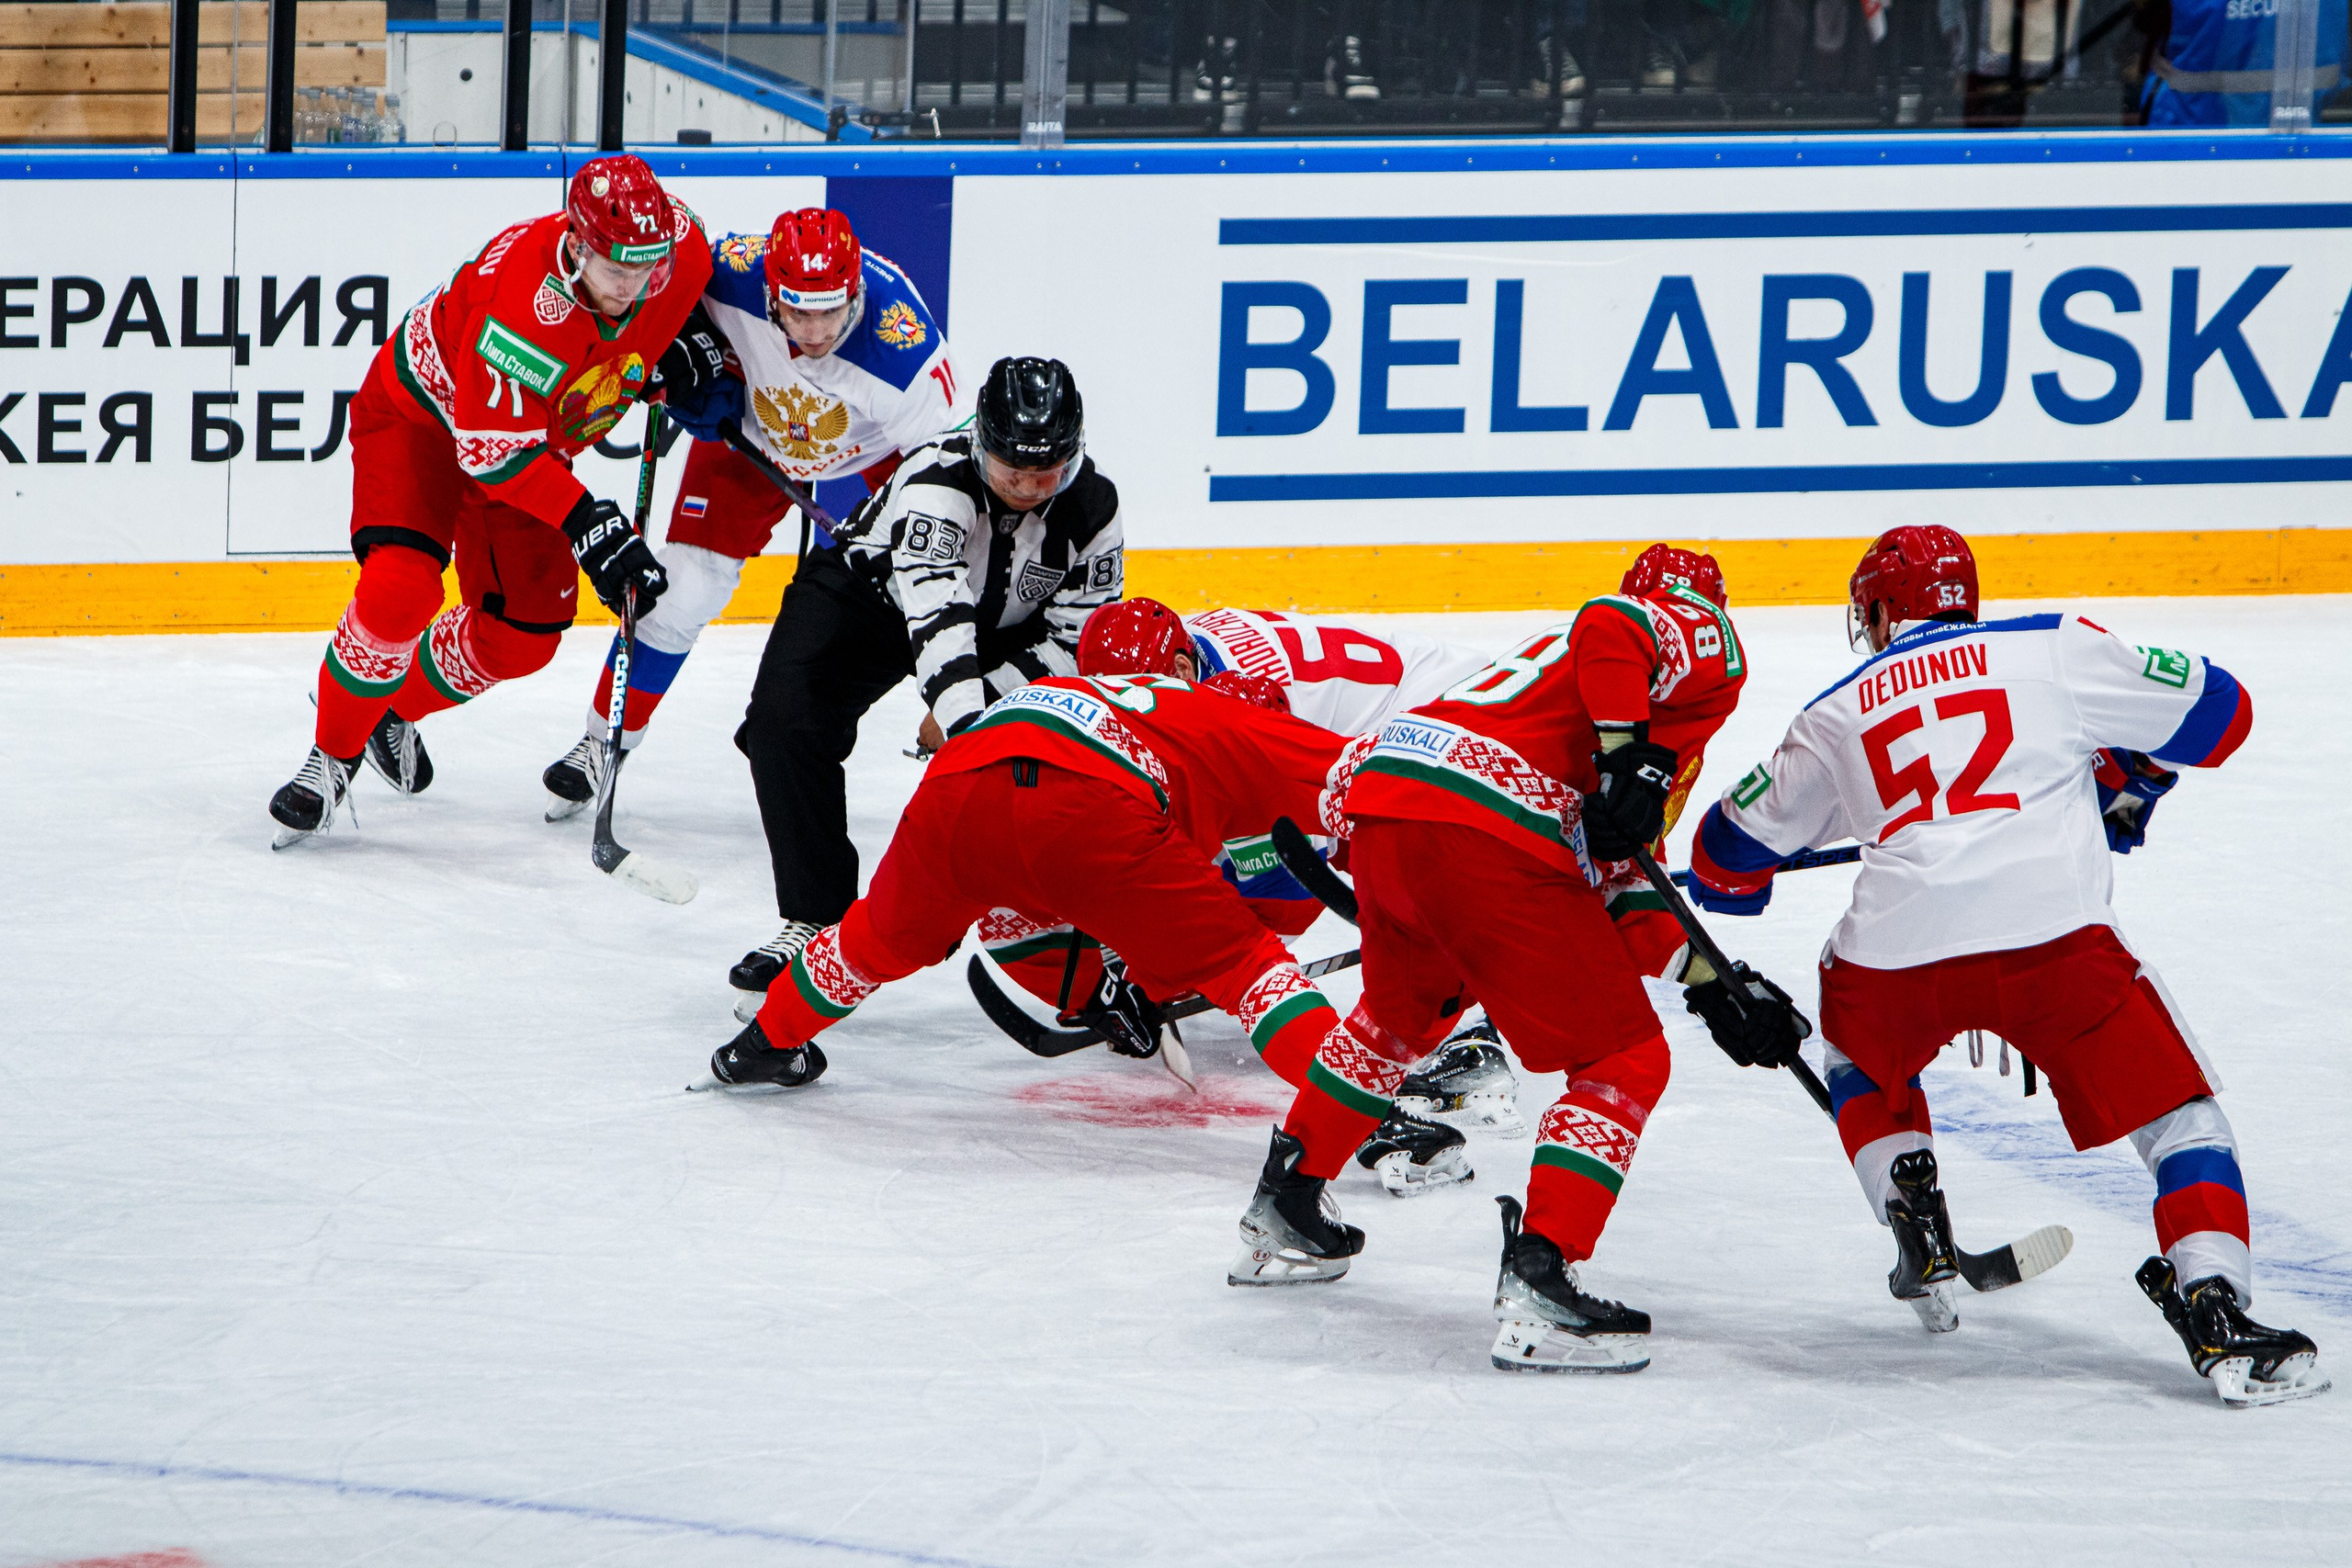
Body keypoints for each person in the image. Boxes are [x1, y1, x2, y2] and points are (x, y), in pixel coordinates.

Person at [1685, 525, 2325, 1408]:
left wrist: (1793, 849)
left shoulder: (1834, 710)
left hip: (1898, 959)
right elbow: (2222, 714)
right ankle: (2213, 1301)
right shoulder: (2052, 647)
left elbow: (1721, 863)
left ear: (1875, 610)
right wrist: (2120, 768)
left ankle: (1912, 1210)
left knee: (1858, 1048)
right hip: (2054, 943)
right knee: (2181, 1121)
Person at [1218, 544, 1808, 1377]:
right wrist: (1624, 752)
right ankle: (1542, 1276)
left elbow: (1615, 894)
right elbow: (1614, 621)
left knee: (1395, 1021)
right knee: (1624, 1059)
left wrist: (1714, 986)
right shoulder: (1690, 640)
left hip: (1393, 799)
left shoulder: (1554, 696)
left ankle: (1284, 1202)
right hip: (1481, 824)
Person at [976, 597, 1504, 1196]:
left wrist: (1167, 959)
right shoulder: (1175, 672)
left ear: (1179, 670)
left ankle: (1477, 1037)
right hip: (1381, 725)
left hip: (1446, 716)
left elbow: (1287, 882)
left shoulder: (1248, 706)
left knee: (1406, 866)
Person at [268, 154, 712, 847]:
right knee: (400, 590)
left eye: (648, 266)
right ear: (576, 243)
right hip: (422, 421)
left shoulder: (675, 246)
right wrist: (586, 523)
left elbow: (696, 290)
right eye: (617, 269)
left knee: (522, 637)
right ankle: (332, 753)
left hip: (525, 443)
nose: (635, 285)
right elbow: (490, 453)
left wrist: (685, 347)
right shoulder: (522, 310)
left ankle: (390, 706)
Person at [702, 673, 1369, 1130]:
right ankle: (1367, 1118)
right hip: (1086, 799)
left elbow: (1012, 921)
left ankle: (759, 1046)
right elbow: (1378, 783)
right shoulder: (1241, 726)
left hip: (957, 792)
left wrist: (1090, 993)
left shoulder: (1120, 695)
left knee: (868, 942)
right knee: (1249, 966)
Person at [724, 357, 1123, 1017]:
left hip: (1005, 633)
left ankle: (1066, 918)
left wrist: (991, 694)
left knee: (1055, 742)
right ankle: (817, 922)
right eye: (1010, 470)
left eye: (1044, 472)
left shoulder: (1094, 508)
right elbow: (937, 616)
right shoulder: (936, 480)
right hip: (872, 600)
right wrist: (967, 723)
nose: (1026, 486)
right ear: (980, 446)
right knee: (783, 723)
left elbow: (1077, 642)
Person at [541, 207, 961, 817]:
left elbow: (950, 493)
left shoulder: (905, 356)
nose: (814, 330)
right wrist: (673, 353)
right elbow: (651, 298)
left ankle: (840, 713)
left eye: (830, 311)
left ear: (857, 293)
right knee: (682, 589)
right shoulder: (730, 268)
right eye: (795, 311)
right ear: (769, 292)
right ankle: (606, 738)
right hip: (752, 432)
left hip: (878, 453)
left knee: (903, 583)